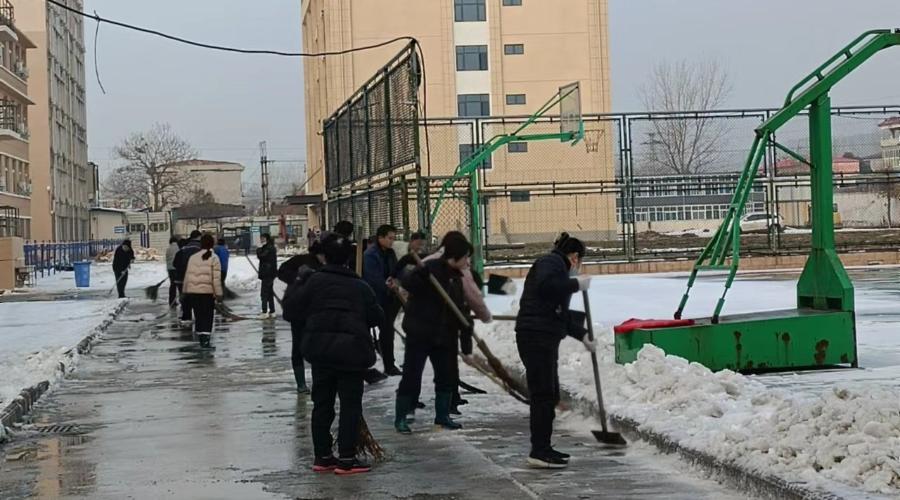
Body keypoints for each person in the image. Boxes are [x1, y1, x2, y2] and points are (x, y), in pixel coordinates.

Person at [296, 232, 384, 475]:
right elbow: (377, 317)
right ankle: (347, 458)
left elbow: (294, 308)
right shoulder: (360, 286)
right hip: (351, 354)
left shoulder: (312, 282)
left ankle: (323, 456)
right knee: (350, 405)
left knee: (321, 404)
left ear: (324, 257)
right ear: (347, 258)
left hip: (321, 353)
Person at [515, 233, 595, 469]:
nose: (579, 267)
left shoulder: (556, 267)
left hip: (543, 336)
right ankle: (538, 451)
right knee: (542, 395)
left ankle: (544, 447)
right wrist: (575, 284)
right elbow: (547, 288)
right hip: (536, 337)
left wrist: (583, 335)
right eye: (580, 261)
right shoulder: (551, 263)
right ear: (574, 257)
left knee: (549, 394)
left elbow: (557, 313)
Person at [394, 234, 474, 434]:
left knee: (445, 376)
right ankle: (401, 417)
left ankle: (442, 416)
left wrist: (466, 340)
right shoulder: (430, 270)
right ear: (455, 256)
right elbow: (407, 283)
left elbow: (460, 310)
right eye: (465, 257)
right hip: (420, 332)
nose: (468, 262)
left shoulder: (456, 277)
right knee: (412, 376)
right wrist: (418, 275)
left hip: (444, 334)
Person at [422, 231, 492, 416]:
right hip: (446, 321)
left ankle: (447, 402)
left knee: (442, 365)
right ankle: (449, 404)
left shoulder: (429, 260)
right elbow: (472, 293)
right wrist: (484, 315)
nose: (467, 260)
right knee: (447, 364)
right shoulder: (456, 265)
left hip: (430, 321)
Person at [280, 240, 325, 394]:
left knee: (316, 348)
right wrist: (297, 278)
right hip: (299, 311)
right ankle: (301, 383)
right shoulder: (301, 261)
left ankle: (317, 381)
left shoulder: (327, 266)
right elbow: (281, 271)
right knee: (299, 347)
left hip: (316, 312)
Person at [363, 224, 401, 375]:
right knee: (373, 332)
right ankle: (367, 365)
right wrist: (387, 285)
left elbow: (396, 270)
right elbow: (373, 278)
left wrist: (396, 281)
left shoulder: (390, 253)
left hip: (388, 297)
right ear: (380, 238)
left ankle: (389, 365)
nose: (392, 241)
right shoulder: (370, 255)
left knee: (387, 331)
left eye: (393, 238)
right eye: (390, 238)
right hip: (375, 298)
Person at [182, 233, 223, 348]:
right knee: (207, 316)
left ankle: (201, 338)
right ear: (211, 244)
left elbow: (188, 275)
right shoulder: (214, 258)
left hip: (193, 292)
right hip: (207, 293)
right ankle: (205, 340)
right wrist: (219, 294)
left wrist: (185, 291)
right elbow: (216, 279)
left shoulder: (193, 257)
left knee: (198, 315)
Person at [174, 230, 204, 326]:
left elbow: (175, 263)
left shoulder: (183, 249)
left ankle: (187, 317)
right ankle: (199, 317)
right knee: (197, 299)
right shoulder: (201, 248)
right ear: (199, 237)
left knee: (185, 300)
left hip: (182, 279)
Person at [256, 233, 278, 319]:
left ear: (266, 239)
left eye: (262, 238)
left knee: (264, 293)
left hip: (267, 273)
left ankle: (264, 312)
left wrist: (258, 249)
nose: (261, 240)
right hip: (269, 273)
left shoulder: (269, 248)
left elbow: (262, 256)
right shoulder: (270, 247)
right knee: (269, 293)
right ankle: (272, 311)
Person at [165, 236, 180, 307]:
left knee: (172, 285)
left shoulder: (168, 248)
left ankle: (171, 301)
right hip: (177, 268)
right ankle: (182, 300)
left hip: (170, 269)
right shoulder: (178, 247)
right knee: (180, 285)